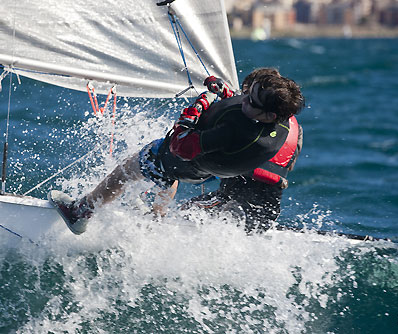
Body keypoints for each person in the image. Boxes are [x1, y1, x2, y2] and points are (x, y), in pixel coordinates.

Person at [49, 69, 305, 235]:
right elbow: (240, 102)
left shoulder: (232, 132)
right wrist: (224, 92)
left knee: (128, 170)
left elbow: (180, 146)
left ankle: (80, 212)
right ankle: (156, 219)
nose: (245, 100)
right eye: (247, 95)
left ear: (270, 114)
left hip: (184, 160)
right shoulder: (278, 121)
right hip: (207, 171)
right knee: (168, 174)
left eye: (250, 101)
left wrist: (199, 106)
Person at [181, 68, 304, 232]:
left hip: (234, 196)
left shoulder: (244, 132)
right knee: (250, 227)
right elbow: (288, 164)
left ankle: (159, 217)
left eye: (247, 97)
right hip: (270, 204)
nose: (241, 101)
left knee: (187, 210)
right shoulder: (293, 129)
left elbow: (185, 149)